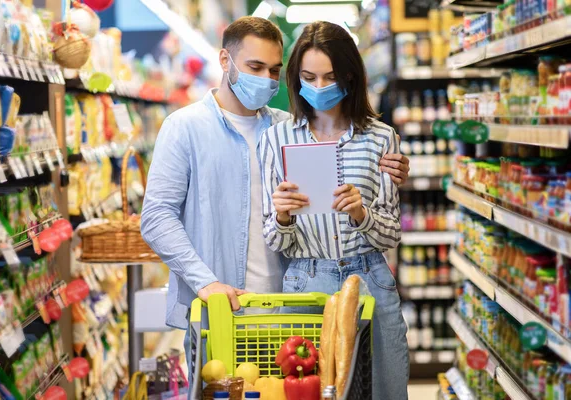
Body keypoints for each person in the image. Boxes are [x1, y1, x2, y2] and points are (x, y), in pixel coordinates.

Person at [141, 16, 409, 334]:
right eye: (255, 67)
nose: (266, 79)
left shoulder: (286, 129)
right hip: (222, 306)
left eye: (273, 70)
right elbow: (157, 218)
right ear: (225, 60)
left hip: (289, 302)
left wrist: (390, 168)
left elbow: (349, 157)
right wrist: (206, 283)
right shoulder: (185, 127)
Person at [260, 21, 408, 399]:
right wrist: (283, 215)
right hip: (304, 283)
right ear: (296, 79)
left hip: (369, 278)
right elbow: (273, 236)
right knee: (305, 390)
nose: (320, 87)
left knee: (383, 390)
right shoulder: (276, 139)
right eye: (309, 77)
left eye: (330, 76)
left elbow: (391, 234)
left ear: (349, 76)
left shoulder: (381, 137)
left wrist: (362, 214)